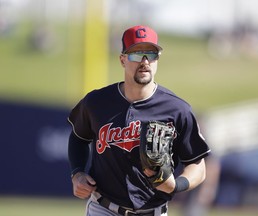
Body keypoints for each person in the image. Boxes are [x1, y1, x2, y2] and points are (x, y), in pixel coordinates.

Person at [67, 25, 211, 216]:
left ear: (157, 59)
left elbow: (197, 165)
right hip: (104, 208)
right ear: (122, 59)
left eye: (150, 54)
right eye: (136, 54)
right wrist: (77, 173)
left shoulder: (177, 109)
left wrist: (176, 185)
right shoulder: (96, 102)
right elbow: (78, 138)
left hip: (154, 211)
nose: (144, 61)